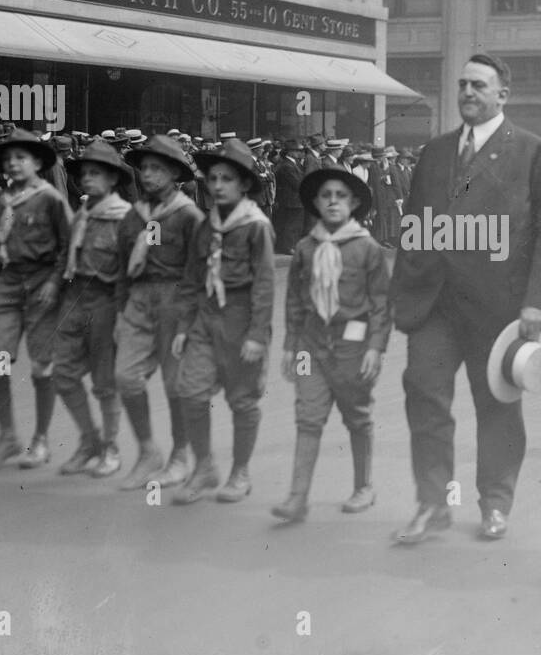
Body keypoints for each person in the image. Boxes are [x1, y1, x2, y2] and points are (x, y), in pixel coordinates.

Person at [390, 53, 541, 543]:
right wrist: (403, 291)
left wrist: (538, 302)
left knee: (496, 405)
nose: (468, 92)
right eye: (463, 85)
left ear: (502, 96)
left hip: (500, 307)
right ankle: (432, 503)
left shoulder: (532, 151)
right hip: (435, 305)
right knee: (423, 391)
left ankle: (495, 502)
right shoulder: (436, 152)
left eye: (479, 86)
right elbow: (415, 227)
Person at [275, 168, 391, 520]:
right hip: (312, 344)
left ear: (354, 203)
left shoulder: (367, 248)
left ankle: (363, 486)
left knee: (357, 416)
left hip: (351, 347)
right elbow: (295, 299)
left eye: (341, 196)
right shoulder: (306, 249)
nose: (333, 202)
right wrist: (291, 346)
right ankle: (297, 497)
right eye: (326, 196)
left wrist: (375, 347)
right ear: (315, 203)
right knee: (307, 416)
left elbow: (382, 305)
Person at [170, 139, 275, 504]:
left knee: (242, 400)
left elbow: (264, 285)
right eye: (213, 178)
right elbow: (191, 279)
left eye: (227, 179)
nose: (217, 185)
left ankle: (240, 472)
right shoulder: (206, 224)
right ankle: (204, 467)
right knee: (191, 392)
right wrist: (184, 327)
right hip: (206, 318)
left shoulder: (256, 226)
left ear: (244, 184)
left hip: (241, 320)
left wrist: (257, 335)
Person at [0, 128, 72, 470]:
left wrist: (55, 282)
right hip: (8, 284)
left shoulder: (51, 199)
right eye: (8, 159)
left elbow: (67, 247)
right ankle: (8, 436)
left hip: (42, 283)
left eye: (20, 158)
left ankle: (41, 439)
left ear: (37, 162)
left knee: (43, 367)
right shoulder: (2, 199)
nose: (13, 164)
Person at [116, 135, 207, 489]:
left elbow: (198, 273)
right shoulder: (135, 216)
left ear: (174, 175)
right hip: (139, 300)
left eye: (157, 169)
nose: (148, 175)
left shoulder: (188, 216)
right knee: (125, 376)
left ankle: (180, 456)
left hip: (176, 300)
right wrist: (122, 311)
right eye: (145, 169)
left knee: (175, 384)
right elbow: (124, 264)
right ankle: (147, 451)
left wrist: (188, 322)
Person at [49, 140, 133, 477]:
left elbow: (133, 272)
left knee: (104, 382)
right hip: (74, 300)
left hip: (107, 301)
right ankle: (89, 441)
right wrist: (53, 288)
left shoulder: (127, 218)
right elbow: (65, 255)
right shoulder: (81, 214)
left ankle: (110, 447)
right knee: (63, 375)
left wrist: (124, 317)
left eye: (95, 174)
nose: (86, 179)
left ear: (113, 179)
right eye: (84, 174)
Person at [272, 141, 305, 254]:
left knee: (294, 224)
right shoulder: (287, 165)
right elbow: (296, 183)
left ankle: (291, 245)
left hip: (294, 199)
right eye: (297, 151)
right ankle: (288, 247)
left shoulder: (293, 163)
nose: (299, 153)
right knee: (291, 224)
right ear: (290, 152)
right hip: (291, 199)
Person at [367, 145, 403, 248]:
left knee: (383, 218)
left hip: (383, 197)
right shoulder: (378, 167)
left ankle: (383, 239)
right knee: (381, 218)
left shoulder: (378, 166)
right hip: (380, 197)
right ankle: (381, 239)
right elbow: (395, 184)